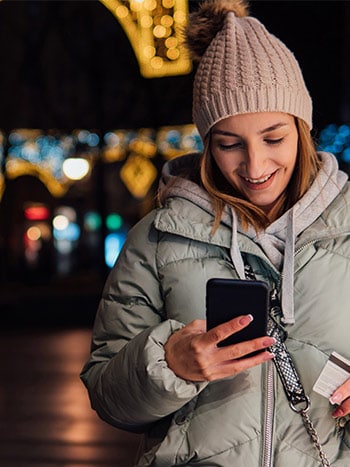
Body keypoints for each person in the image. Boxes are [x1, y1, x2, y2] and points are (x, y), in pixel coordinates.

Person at [80, 1, 350, 465]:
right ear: (207, 145)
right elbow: (108, 396)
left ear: (302, 131)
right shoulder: (158, 238)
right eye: (229, 144)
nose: (255, 165)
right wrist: (170, 365)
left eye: (273, 138)